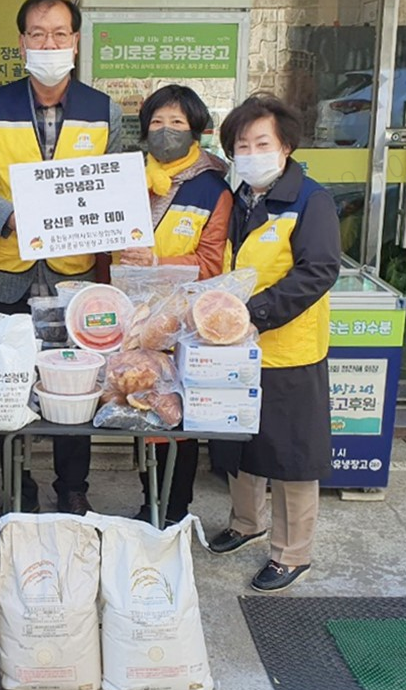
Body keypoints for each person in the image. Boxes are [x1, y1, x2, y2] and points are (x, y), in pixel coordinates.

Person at [0, 0, 122, 515]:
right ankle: (16, 480)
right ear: (22, 42)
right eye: (38, 34)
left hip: (72, 280)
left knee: (73, 385)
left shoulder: (103, 111)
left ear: (75, 40)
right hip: (6, 272)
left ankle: (73, 487)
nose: (48, 43)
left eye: (59, 34)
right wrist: (6, 214)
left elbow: (115, 188)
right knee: (9, 384)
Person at [207, 94, 340, 592]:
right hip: (234, 347)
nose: (251, 151)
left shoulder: (311, 200)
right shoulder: (238, 199)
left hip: (289, 351)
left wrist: (256, 313)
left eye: (262, 142)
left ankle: (292, 553)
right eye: (242, 144)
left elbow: (319, 270)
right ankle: (246, 523)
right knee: (242, 441)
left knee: (290, 455)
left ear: (285, 146)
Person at [118, 84, 233, 525]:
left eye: (178, 123)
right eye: (158, 122)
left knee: (174, 421)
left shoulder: (212, 189)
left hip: (180, 322)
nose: (166, 131)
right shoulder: (125, 179)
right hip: (130, 319)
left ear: (197, 131)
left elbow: (211, 262)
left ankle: (175, 511)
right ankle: (149, 505)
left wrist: (156, 261)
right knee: (140, 410)